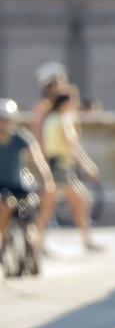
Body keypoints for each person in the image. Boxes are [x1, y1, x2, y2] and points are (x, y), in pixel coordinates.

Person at [41, 90, 102, 251]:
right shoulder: (61, 119)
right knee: (78, 201)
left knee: (51, 207)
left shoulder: (52, 118)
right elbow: (72, 146)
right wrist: (88, 166)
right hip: (61, 167)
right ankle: (86, 240)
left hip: (57, 165)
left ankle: (39, 243)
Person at [0, 99, 57, 250]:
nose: (3, 125)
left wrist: (47, 182)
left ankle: (36, 238)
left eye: (6, 120)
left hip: (18, 185)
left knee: (34, 203)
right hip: (1, 188)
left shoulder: (20, 138)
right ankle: (3, 239)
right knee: (6, 204)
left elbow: (37, 162)